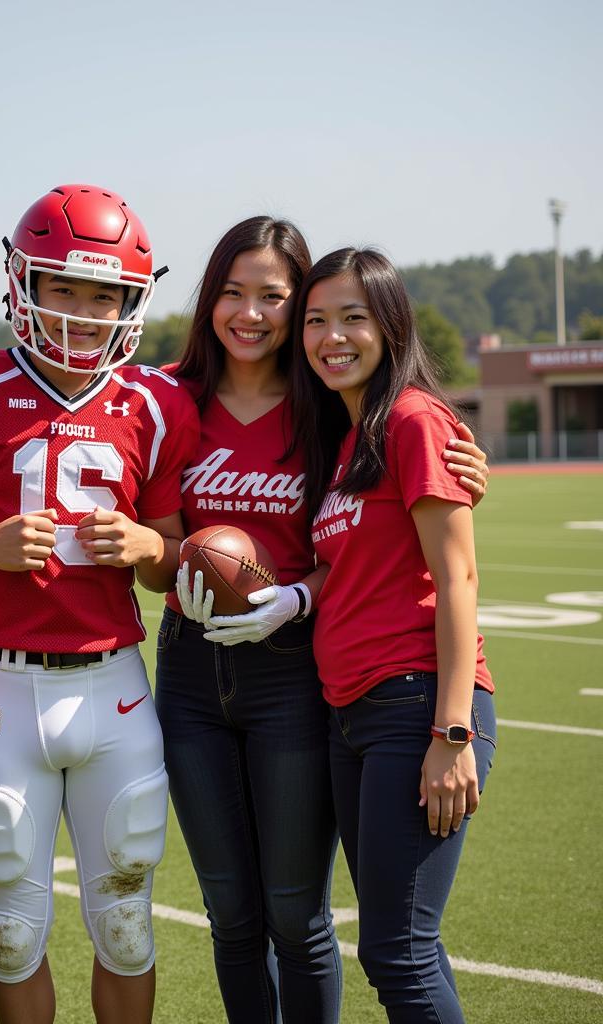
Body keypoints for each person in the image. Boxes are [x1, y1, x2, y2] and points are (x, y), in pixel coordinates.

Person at [154, 218, 489, 1023]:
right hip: (197, 666)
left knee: (301, 915)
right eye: (232, 292)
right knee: (232, 915)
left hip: (303, 670)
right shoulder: (166, 395)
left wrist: (463, 470)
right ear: (207, 302)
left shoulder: (336, 410)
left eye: (275, 296)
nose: (251, 313)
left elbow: (431, 532)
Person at [0, 183, 199, 1024]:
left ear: (131, 302)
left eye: (103, 293)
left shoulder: (154, 401)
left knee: (127, 924)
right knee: (10, 927)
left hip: (114, 683)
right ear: (21, 285)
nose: (81, 311)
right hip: (1, 684)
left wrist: (149, 548)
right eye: (62, 286)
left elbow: (168, 567)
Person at [290, 247, 496, 1023]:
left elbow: (458, 580)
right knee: (406, 942)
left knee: (396, 950)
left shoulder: (411, 418)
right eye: (315, 321)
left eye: (353, 317)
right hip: (354, 714)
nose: (331, 336)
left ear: (391, 324)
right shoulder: (347, 440)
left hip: (417, 710)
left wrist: (452, 731)